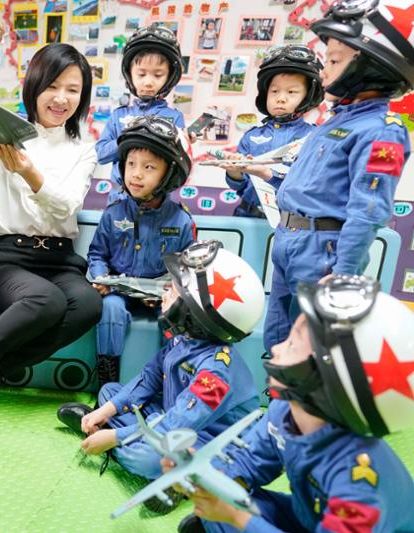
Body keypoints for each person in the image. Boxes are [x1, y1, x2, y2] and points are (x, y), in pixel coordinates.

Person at [171, 276, 414, 533]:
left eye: (292, 344)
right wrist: (201, 477)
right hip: (310, 517)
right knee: (223, 504)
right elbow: (248, 462)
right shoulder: (285, 411)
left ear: (327, 379)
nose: (277, 348)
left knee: (229, 513)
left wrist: (238, 518)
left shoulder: (358, 487)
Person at [0, 43, 103, 416]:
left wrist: (28, 172)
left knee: (89, 304)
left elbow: (68, 204)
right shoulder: (5, 132)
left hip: (60, 260)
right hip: (9, 259)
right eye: (52, 86)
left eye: (73, 90)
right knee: (46, 300)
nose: (61, 98)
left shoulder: (84, 149)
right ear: (35, 86)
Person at [57, 240, 264, 514]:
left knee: (147, 458)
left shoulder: (216, 372)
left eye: (174, 290)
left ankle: (162, 470)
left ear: (196, 313)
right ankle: (111, 430)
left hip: (207, 439)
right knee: (110, 392)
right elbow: (150, 377)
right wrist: (108, 409)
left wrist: (114, 437)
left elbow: (175, 426)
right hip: (173, 415)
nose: (165, 291)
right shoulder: (187, 338)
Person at [264, 0, 413, 353]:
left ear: (371, 66)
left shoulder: (381, 130)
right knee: (278, 343)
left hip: (321, 252)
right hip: (289, 240)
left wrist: (344, 274)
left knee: (312, 350)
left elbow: (368, 210)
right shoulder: (333, 122)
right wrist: (267, 174)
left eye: (333, 61)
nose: (323, 72)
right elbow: (313, 189)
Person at [87, 115, 195, 387]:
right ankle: (107, 380)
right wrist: (100, 278)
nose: (136, 174)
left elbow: (187, 266)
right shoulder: (113, 214)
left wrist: (170, 291)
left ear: (168, 175)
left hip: (160, 294)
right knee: (110, 309)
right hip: (118, 290)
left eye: (149, 167)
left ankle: (169, 380)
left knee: (176, 313)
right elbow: (97, 254)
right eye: (131, 164)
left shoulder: (182, 220)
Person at [222, 45, 323, 218]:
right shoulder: (252, 137)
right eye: (274, 91)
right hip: (248, 216)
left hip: (292, 222)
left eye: (291, 92)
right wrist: (234, 171)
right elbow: (239, 185)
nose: (281, 98)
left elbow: (314, 185)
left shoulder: (314, 137)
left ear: (307, 96)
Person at [96, 24, 186, 203]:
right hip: (118, 201)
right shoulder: (119, 116)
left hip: (158, 203)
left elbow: (178, 166)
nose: (148, 82)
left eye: (158, 75)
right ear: (130, 74)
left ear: (169, 77)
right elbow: (101, 155)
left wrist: (183, 146)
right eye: (141, 74)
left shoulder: (174, 117)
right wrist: (129, 137)